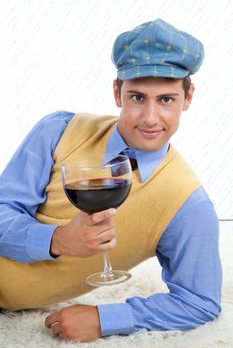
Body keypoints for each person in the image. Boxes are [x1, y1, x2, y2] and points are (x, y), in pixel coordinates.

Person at [0, 18, 222, 343]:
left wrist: (106, 318)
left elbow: (200, 302)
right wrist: (57, 240)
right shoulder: (58, 130)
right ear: (117, 92)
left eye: (166, 100)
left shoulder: (187, 202)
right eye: (137, 97)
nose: (149, 118)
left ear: (187, 99)